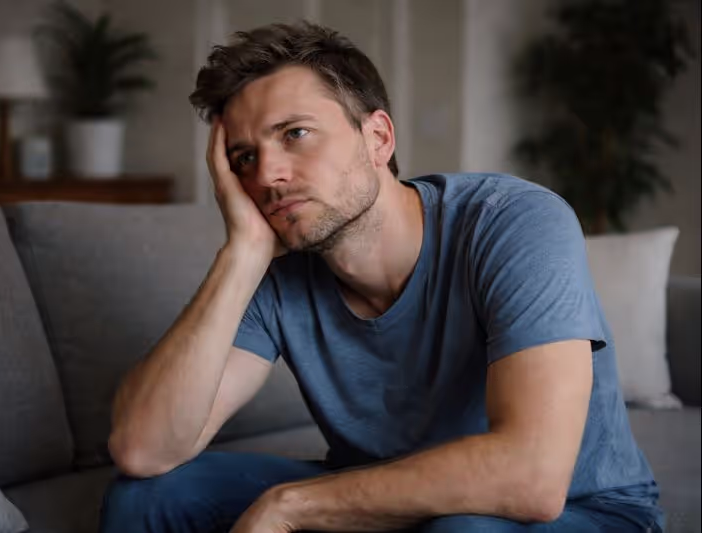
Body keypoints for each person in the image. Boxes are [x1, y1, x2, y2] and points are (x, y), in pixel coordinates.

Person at [98, 22, 663, 533]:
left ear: (378, 139)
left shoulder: (511, 222)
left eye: (294, 133)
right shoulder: (276, 271)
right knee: (145, 498)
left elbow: (533, 477)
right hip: (393, 504)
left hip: (583, 511)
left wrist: (291, 506)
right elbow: (143, 450)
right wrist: (242, 252)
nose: (267, 175)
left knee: (463, 532)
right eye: (244, 157)